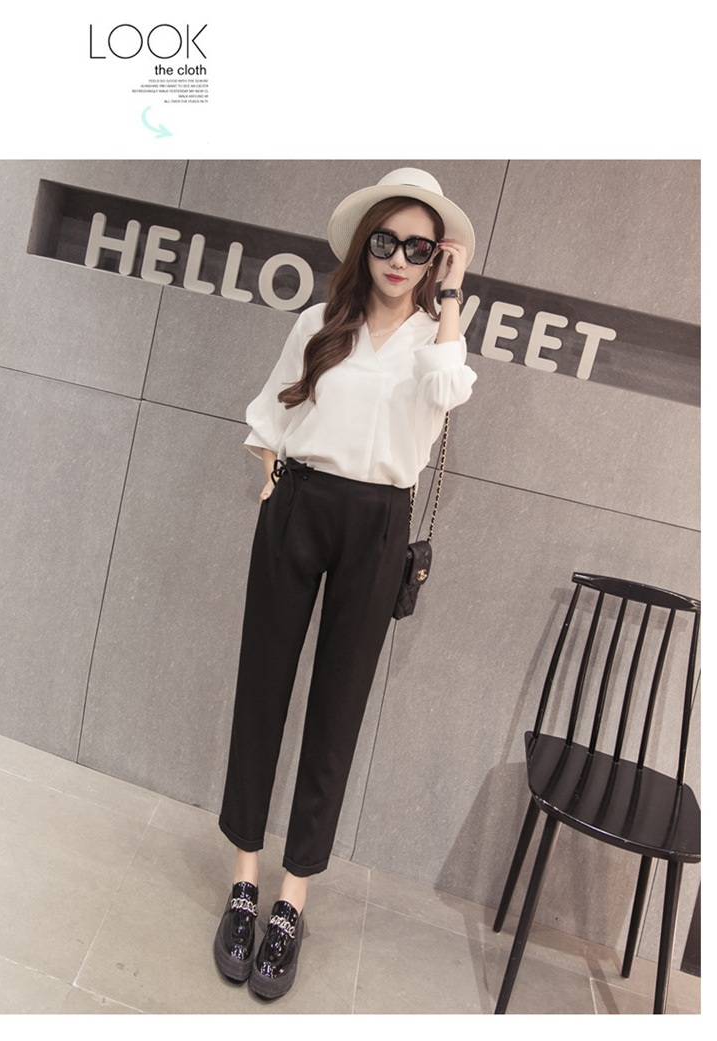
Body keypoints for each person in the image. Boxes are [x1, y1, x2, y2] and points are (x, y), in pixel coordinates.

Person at [213, 168, 477, 999]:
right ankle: (244, 879)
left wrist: (452, 300)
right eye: (386, 240)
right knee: (262, 689)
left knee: (336, 712)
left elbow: (450, 393)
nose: (399, 257)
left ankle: (292, 898)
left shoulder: (438, 341)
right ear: (364, 245)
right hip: (300, 505)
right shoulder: (319, 324)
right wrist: (270, 479)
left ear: (436, 258)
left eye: (419, 247)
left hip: (378, 525)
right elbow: (268, 413)